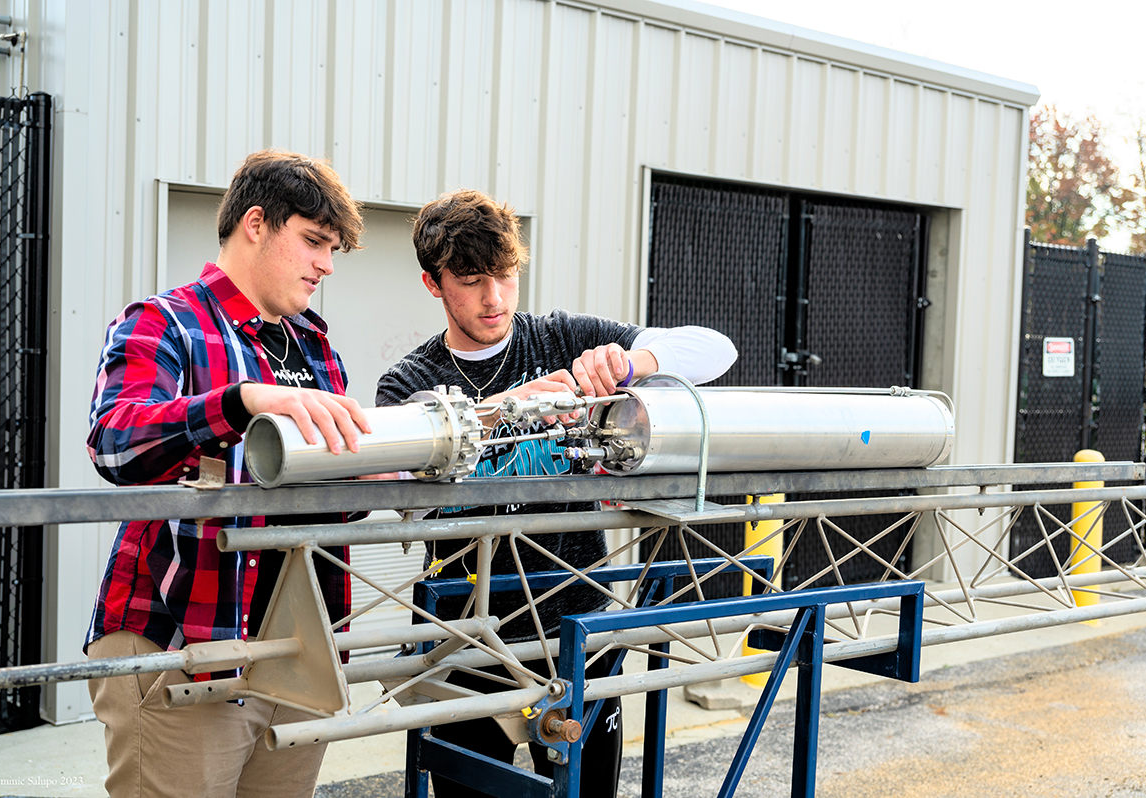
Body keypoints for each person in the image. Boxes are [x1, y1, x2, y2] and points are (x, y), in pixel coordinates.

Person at [376, 188, 737, 798]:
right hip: (468, 637)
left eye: (506, 274)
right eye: (471, 280)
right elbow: (398, 488)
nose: (494, 298)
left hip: (576, 624)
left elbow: (716, 349)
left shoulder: (561, 338)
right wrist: (503, 411)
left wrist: (634, 360)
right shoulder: (411, 381)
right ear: (432, 284)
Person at [84, 150, 371, 798]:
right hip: (183, 637)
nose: (326, 264)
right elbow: (114, 443)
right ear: (256, 224)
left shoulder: (315, 347)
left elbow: (332, 503)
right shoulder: (164, 322)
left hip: (298, 646)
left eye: (332, 249)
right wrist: (239, 403)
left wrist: (385, 472)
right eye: (315, 242)